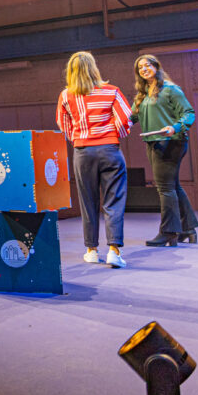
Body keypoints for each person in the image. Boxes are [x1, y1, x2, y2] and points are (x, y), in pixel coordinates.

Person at [57, 51, 132, 268]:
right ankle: (114, 251)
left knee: (88, 201)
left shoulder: (65, 95)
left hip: (83, 152)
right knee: (114, 201)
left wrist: (79, 140)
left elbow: (63, 124)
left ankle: (91, 250)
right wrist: (113, 136)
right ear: (94, 68)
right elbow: (125, 119)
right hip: (109, 150)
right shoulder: (112, 91)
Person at [131, 54, 198, 246]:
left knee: (165, 188)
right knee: (173, 186)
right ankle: (188, 229)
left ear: (156, 66)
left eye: (147, 65)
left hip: (170, 142)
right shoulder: (143, 94)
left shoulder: (170, 89)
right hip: (153, 143)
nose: (144, 69)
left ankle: (169, 232)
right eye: (140, 68)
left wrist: (175, 127)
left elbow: (188, 113)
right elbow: (132, 117)